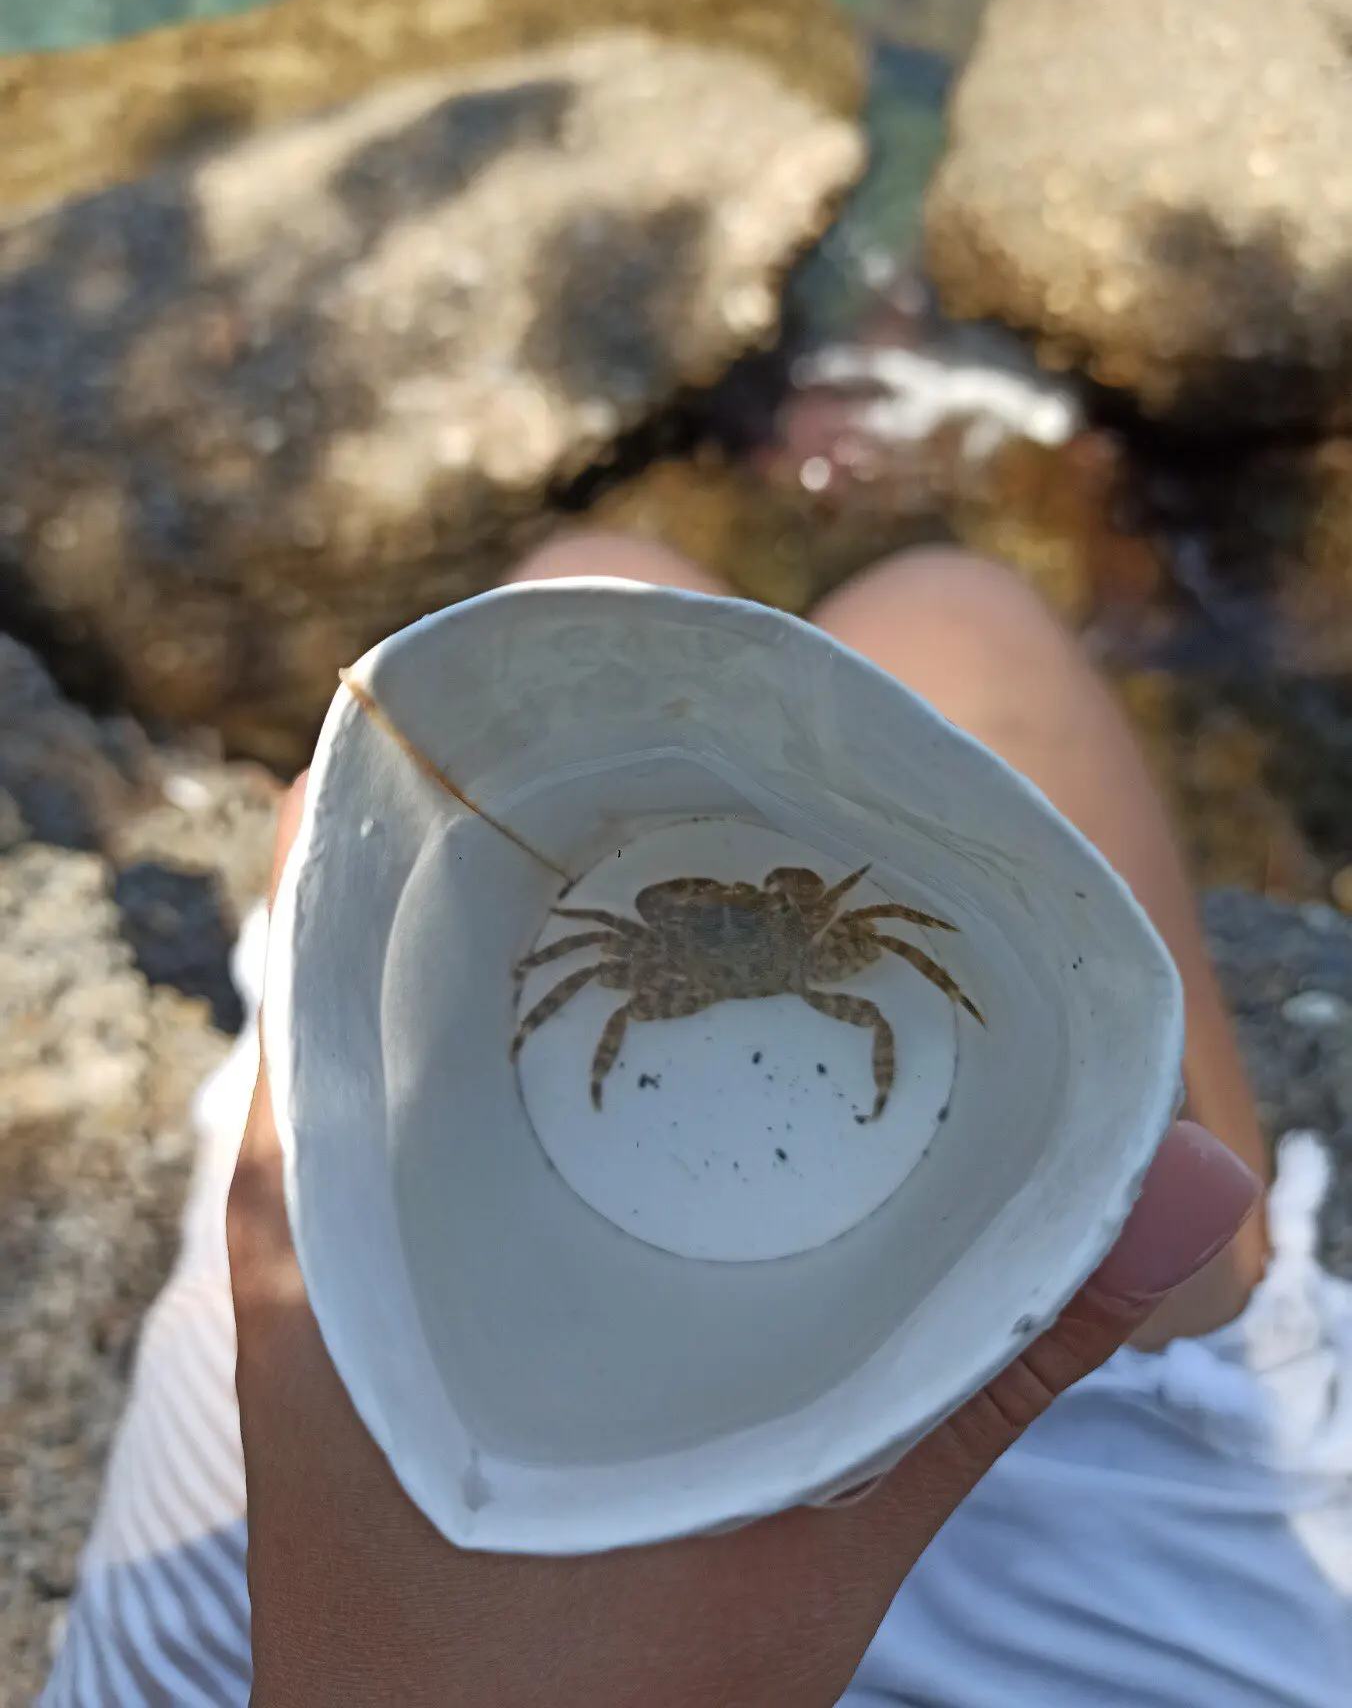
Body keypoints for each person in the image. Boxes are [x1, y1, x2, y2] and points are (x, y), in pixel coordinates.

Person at [42, 539, 1352, 1707]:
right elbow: (613, 959)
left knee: (599, 581)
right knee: (957, 618)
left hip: (276, 1628)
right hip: (1129, 1619)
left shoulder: (669, 946)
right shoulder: (762, 937)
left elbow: (618, 954)